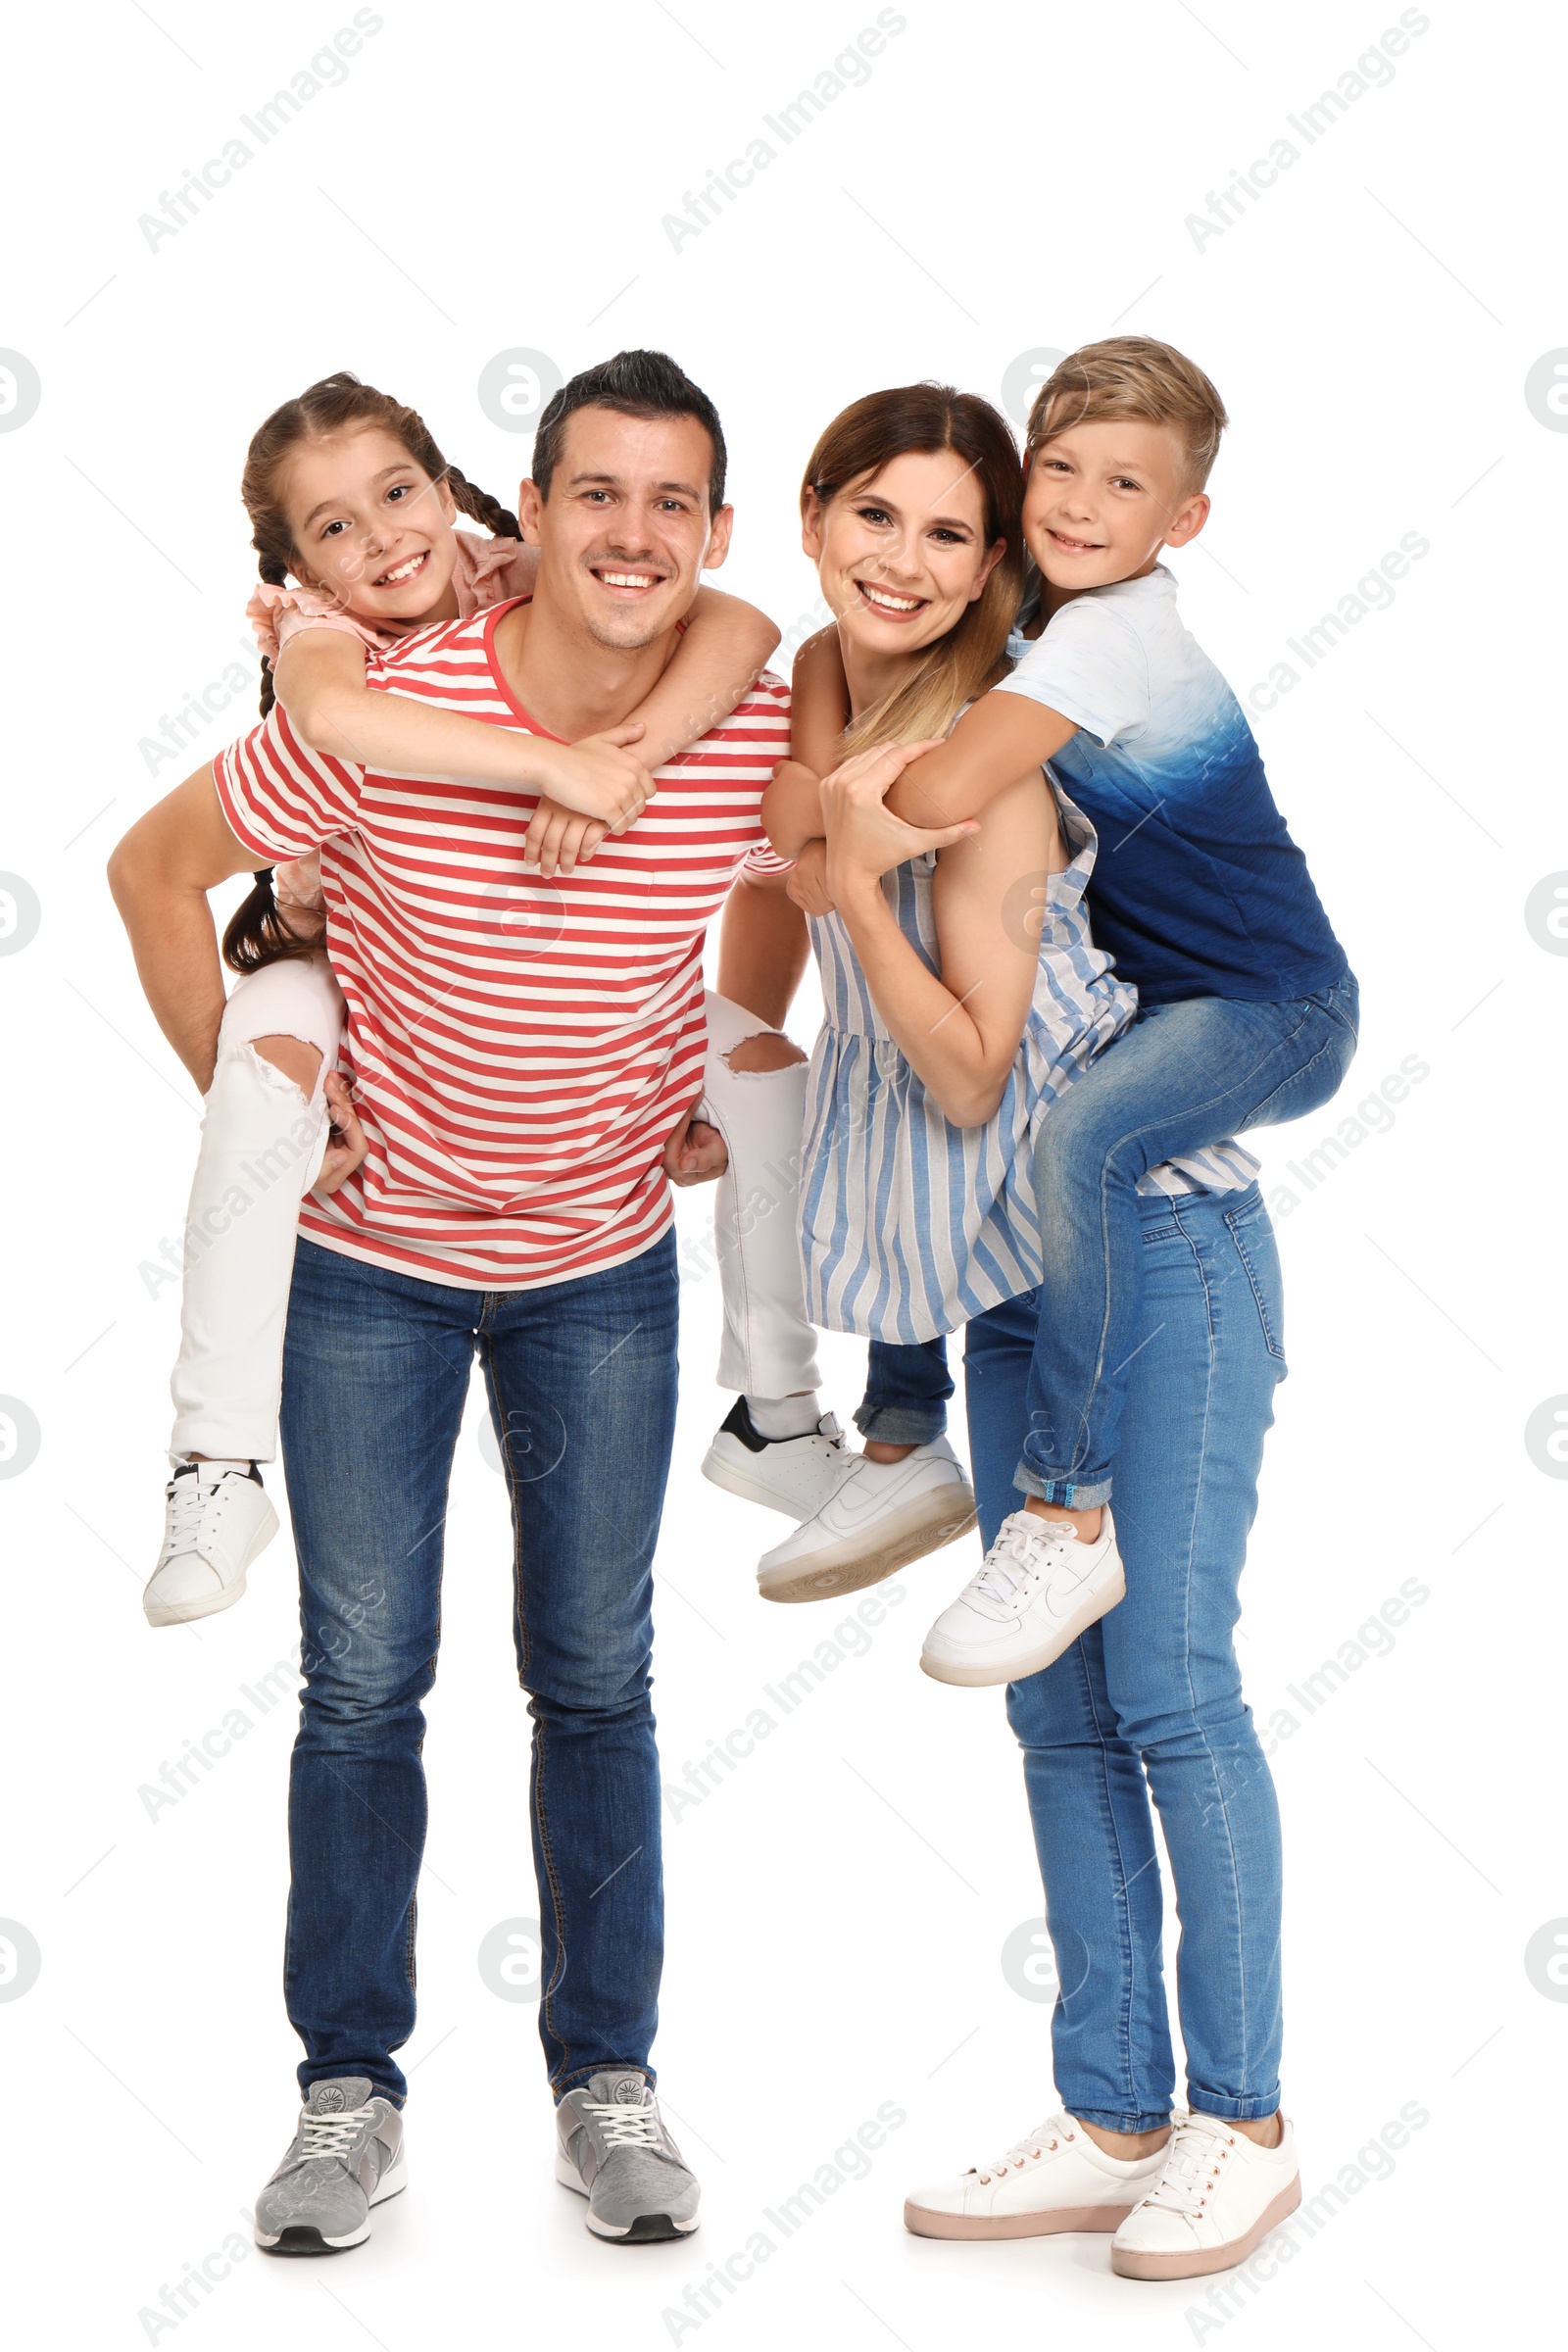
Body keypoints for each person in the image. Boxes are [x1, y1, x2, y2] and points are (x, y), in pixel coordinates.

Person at [108, 349, 791, 2253]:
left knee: (595, 1680)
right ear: (544, 507)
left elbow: (786, 849)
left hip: (596, 1278)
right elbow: (154, 873)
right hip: (370, 1283)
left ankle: (608, 2085)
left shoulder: (723, 694)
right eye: (601, 495)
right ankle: (348, 2096)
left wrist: (715, 1052)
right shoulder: (366, 705)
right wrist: (259, 1136)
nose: (632, 535)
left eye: (669, 503)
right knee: (359, 1689)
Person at [681, 380, 1301, 2279]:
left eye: (947, 533)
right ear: (811, 518)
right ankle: (1113, 2103)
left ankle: (1242, 2121)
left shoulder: (991, 767)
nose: (901, 556)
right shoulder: (823, 694)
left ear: (995, 565)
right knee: (1051, 1713)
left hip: (1158, 1259)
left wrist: (854, 898)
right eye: (872, 514)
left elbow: (959, 1082)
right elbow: (771, 865)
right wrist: (748, 1031)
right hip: (1005, 1283)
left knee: (1168, 1684)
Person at [137, 370, 777, 1629]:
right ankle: (214, 1463)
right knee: (262, 1074)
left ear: (464, 494)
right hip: (315, 936)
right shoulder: (331, 641)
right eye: (333, 527)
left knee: (598, 1668)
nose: (380, 539)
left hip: (597, 1248)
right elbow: (319, 722)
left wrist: (629, 756)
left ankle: (786, 1408)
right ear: (299, 565)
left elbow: (743, 625)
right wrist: (554, 767)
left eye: (398, 495)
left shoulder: (538, 571)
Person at [766, 337, 1356, 1682]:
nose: (1083, 506)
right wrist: (824, 844)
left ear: (1184, 521)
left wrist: (832, 850)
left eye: (1126, 485)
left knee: (1075, 1138)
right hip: (1142, 992)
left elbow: (916, 804)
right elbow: (827, 744)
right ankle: (904, 1434)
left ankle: (1067, 1508)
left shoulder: (1107, 635)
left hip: (1269, 1003)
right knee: (901, 1098)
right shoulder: (1023, 589)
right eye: (1060, 470)